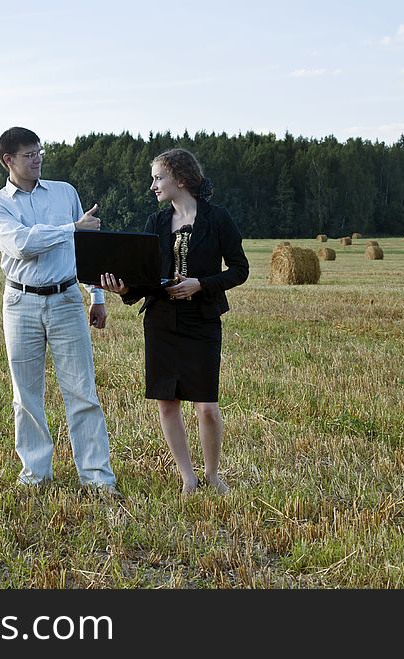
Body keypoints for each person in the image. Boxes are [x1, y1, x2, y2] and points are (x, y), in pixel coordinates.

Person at [100, 148, 248, 495]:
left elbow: (240, 270)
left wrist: (202, 283)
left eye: (158, 177)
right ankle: (188, 478)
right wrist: (125, 289)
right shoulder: (156, 223)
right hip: (161, 320)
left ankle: (212, 474)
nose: (153, 186)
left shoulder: (218, 218)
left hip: (202, 319)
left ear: (180, 179)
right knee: (167, 402)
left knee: (207, 407)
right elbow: (146, 276)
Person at [0, 126, 118, 494]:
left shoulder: (64, 192)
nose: (37, 158)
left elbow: (85, 248)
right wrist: (71, 227)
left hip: (66, 299)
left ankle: (97, 479)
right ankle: (35, 476)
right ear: (9, 160)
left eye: (40, 152)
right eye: (29, 154)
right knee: (25, 396)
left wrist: (97, 296)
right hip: (20, 303)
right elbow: (21, 245)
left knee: (82, 391)